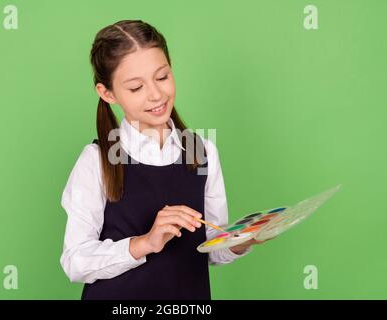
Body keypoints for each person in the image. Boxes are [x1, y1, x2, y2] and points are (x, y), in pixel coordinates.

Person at [60, 19, 270, 300]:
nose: (156, 94)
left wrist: (242, 241)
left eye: (162, 77)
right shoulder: (96, 160)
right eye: (136, 87)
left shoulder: (202, 152)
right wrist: (145, 242)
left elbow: (211, 248)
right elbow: (75, 261)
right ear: (107, 93)